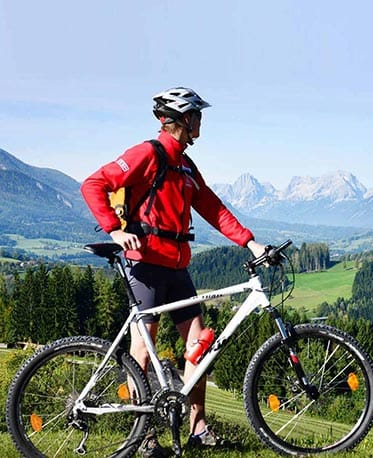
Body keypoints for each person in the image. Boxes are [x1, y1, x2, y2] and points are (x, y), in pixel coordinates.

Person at [81, 87, 266, 456]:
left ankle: (198, 428)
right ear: (182, 119)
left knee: (200, 346)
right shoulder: (148, 154)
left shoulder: (184, 164)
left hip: (177, 268)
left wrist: (250, 242)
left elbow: (212, 207)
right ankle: (144, 437)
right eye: (197, 115)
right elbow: (94, 184)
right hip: (146, 265)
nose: (201, 122)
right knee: (142, 354)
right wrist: (115, 231)